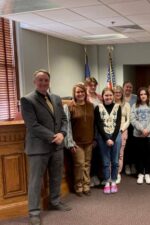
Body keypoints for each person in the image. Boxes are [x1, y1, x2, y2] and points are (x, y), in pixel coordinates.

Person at [21, 69, 71, 225]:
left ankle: (55, 202)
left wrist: (62, 134)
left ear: (49, 82)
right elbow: (33, 125)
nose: (43, 83)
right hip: (38, 148)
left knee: (56, 176)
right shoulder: (27, 100)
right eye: (40, 80)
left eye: (46, 80)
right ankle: (34, 212)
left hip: (57, 147)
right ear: (34, 82)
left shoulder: (56, 98)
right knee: (36, 181)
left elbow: (64, 119)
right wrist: (53, 137)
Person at [64, 83, 94, 197]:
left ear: (85, 93)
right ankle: (78, 186)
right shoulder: (69, 107)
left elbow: (94, 124)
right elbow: (66, 126)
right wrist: (70, 142)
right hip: (77, 143)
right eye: (78, 92)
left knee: (87, 164)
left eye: (82, 91)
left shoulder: (91, 106)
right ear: (74, 94)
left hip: (89, 141)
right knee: (79, 164)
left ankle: (86, 186)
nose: (80, 94)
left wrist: (95, 139)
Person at [95, 88, 121, 194]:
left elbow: (118, 123)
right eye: (106, 95)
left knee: (115, 161)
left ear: (113, 96)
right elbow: (99, 124)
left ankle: (113, 181)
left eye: (110, 95)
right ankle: (107, 181)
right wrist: (106, 138)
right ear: (102, 96)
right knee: (106, 162)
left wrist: (113, 139)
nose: (108, 97)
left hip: (116, 136)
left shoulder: (117, 107)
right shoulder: (98, 108)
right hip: (103, 137)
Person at [131, 87, 150, 185]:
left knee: (149, 154)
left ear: (147, 95)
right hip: (138, 135)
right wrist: (142, 130)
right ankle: (141, 173)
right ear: (139, 96)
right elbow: (133, 120)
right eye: (141, 94)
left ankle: (147, 174)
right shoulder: (134, 106)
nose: (143, 96)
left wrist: (147, 130)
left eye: (144, 94)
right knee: (140, 154)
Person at [85, 77, 102, 187]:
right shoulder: (84, 97)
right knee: (89, 154)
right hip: (88, 127)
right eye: (90, 85)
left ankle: (96, 175)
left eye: (94, 85)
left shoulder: (99, 97)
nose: (93, 87)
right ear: (86, 86)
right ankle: (89, 177)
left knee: (97, 153)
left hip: (99, 127)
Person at [113, 85, 131, 184]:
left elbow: (128, 120)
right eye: (116, 93)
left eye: (119, 93)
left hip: (122, 132)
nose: (118, 94)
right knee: (111, 153)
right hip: (111, 132)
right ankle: (111, 173)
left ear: (122, 94)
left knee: (120, 154)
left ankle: (118, 173)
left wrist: (121, 129)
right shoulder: (110, 103)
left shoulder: (126, 105)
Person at [123, 81, 137, 175]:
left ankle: (133, 165)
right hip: (123, 126)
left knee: (133, 146)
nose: (128, 89)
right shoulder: (120, 97)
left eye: (130, 87)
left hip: (133, 126)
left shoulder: (135, 97)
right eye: (127, 87)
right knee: (125, 147)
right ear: (123, 87)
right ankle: (127, 165)